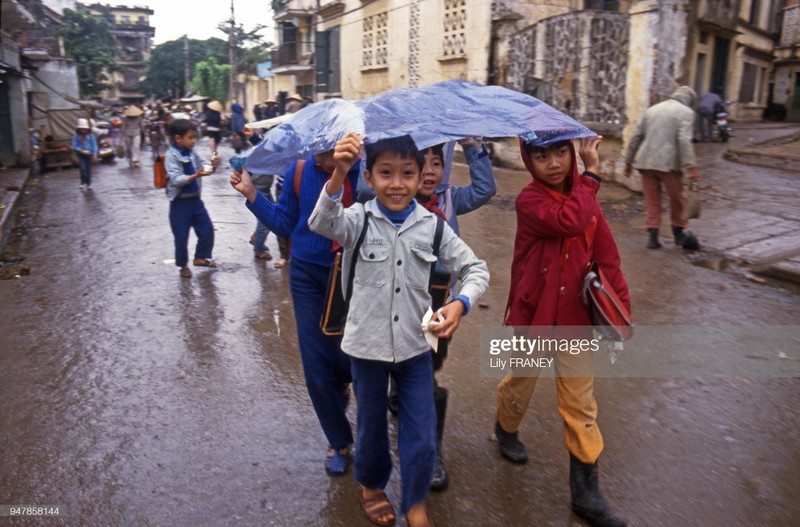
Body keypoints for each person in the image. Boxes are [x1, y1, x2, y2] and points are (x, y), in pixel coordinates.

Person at [309, 132, 489, 527]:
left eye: (407, 173)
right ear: (369, 179)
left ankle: (415, 501)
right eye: (385, 173)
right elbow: (321, 221)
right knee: (372, 427)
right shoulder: (356, 219)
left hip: (414, 348)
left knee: (422, 432)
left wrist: (461, 303)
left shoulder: (434, 226)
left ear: (421, 175)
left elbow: (476, 269)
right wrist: (339, 172)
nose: (396, 183)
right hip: (366, 349)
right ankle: (372, 487)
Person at [493, 135, 629, 527]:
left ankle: (585, 494)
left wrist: (621, 311)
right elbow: (567, 220)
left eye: (560, 153)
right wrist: (592, 174)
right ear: (528, 160)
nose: (553, 163)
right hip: (535, 317)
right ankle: (505, 428)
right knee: (520, 380)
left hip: (574, 321)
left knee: (580, 403)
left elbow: (607, 257)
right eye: (540, 156)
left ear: (572, 152)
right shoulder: (529, 201)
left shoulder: (586, 199)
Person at [364, 138, 496, 491]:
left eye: (436, 163)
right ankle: (428, 451)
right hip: (396, 299)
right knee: (404, 362)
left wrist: (472, 147)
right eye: (420, 165)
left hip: (439, 302)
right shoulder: (386, 203)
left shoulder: (451, 198)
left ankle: (430, 449)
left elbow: (485, 188)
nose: (429, 171)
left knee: (431, 365)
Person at [229, 137, 363, 477]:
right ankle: (339, 440)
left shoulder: (365, 172)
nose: (324, 153)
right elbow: (285, 223)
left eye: (333, 146)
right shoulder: (299, 170)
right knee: (316, 364)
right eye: (319, 145)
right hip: (306, 275)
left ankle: (349, 400)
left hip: (353, 275)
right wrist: (251, 194)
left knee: (353, 359)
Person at [623, 86, 700, 249]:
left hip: (646, 163)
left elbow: (636, 137)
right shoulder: (686, 113)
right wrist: (691, 166)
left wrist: (628, 163)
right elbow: (684, 140)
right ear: (689, 100)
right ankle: (679, 233)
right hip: (669, 165)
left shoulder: (651, 110)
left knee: (652, 201)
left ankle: (653, 238)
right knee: (677, 200)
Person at [164, 119, 220, 278]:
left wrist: (213, 165)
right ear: (178, 138)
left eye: (194, 137)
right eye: (190, 138)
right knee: (181, 237)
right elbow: (176, 179)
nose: (193, 141)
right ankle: (183, 266)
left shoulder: (192, 152)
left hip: (196, 201)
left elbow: (204, 166)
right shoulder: (171, 155)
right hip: (179, 203)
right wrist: (197, 174)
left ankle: (200, 257)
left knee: (207, 229)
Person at [241, 125, 274, 261]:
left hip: (263, 188)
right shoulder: (264, 147)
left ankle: (256, 238)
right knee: (266, 220)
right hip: (259, 188)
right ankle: (258, 249)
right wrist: (253, 135)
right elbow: (259, 144)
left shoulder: (269, 147)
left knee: (270, 215)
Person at [72, 118, 98, 190]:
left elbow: (94, 145)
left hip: (89, 154)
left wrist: (94, 154)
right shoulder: (76, 136)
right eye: (82, 129)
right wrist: (80, 150)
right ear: (79, 129)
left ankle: (88, 184)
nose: (83, 130)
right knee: (82, 168)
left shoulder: (91, 135)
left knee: (88, 169)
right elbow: (74, 145)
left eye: (84, 129)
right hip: (80, 154)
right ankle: (82, 182)